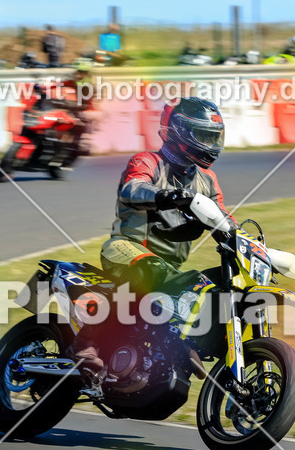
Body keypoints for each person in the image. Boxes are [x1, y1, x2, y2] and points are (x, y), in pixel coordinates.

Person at [70, 97, 236, 384]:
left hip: (169, 264)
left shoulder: (208, 180)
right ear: (179, 132)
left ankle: (180, 349)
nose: (210, 143)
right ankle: (85, 343)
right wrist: (166, 195)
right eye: (203, 135)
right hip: (127, 248)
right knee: (151, 269)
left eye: (213, 136)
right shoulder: (147, 161)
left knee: (210, 284)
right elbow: (133, 188)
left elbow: (223, 217)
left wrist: (237, 238)